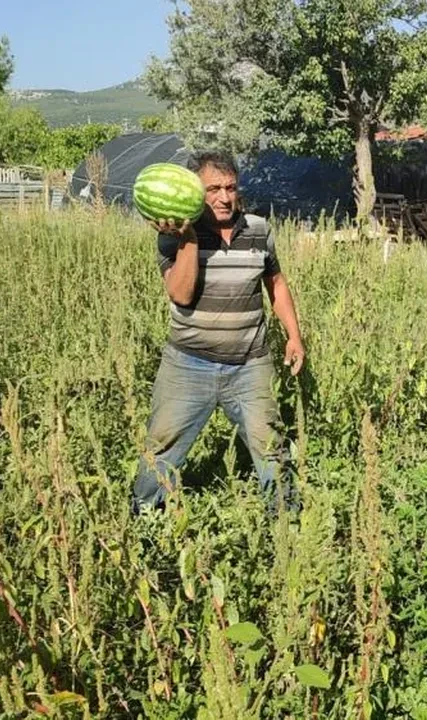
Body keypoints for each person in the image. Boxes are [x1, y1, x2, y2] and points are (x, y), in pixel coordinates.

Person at [132, 150, 306, 513]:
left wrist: (293, 335)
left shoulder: (258, 229)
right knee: (161, 449)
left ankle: (285, 524)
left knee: (270, 447)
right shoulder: (170, 236)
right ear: (195, 190)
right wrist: (189, 239)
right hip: (188, 365)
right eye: (213, 189)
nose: (224, 197)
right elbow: (180, 293)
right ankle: (144, 519)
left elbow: (275, 283)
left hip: (250, 365)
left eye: (230, 187)